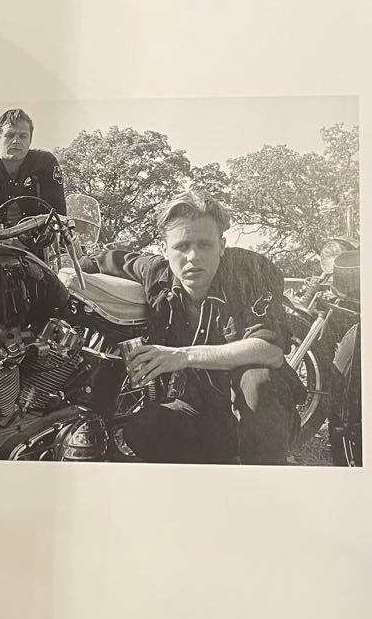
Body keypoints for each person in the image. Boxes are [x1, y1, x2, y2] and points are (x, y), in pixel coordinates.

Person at [83, 191, 302, 465]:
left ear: (222, 245)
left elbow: (269, 350)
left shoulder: (250, 270)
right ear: (164, 250)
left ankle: (264, 475)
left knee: (258, 381)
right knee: (143, 428)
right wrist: (67, 271)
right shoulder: (156, 272)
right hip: (200, 412)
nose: (193, 256)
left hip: (259, 415)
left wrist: (182, 355)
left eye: (205, 245)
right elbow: (104, 259)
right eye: (181, 246)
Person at [0, 108, 67, 222]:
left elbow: (57, 213)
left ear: (30, 140)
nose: (16, 141)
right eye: (10, 135)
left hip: (35, 237)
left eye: (23, 136)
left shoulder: (46, 163)